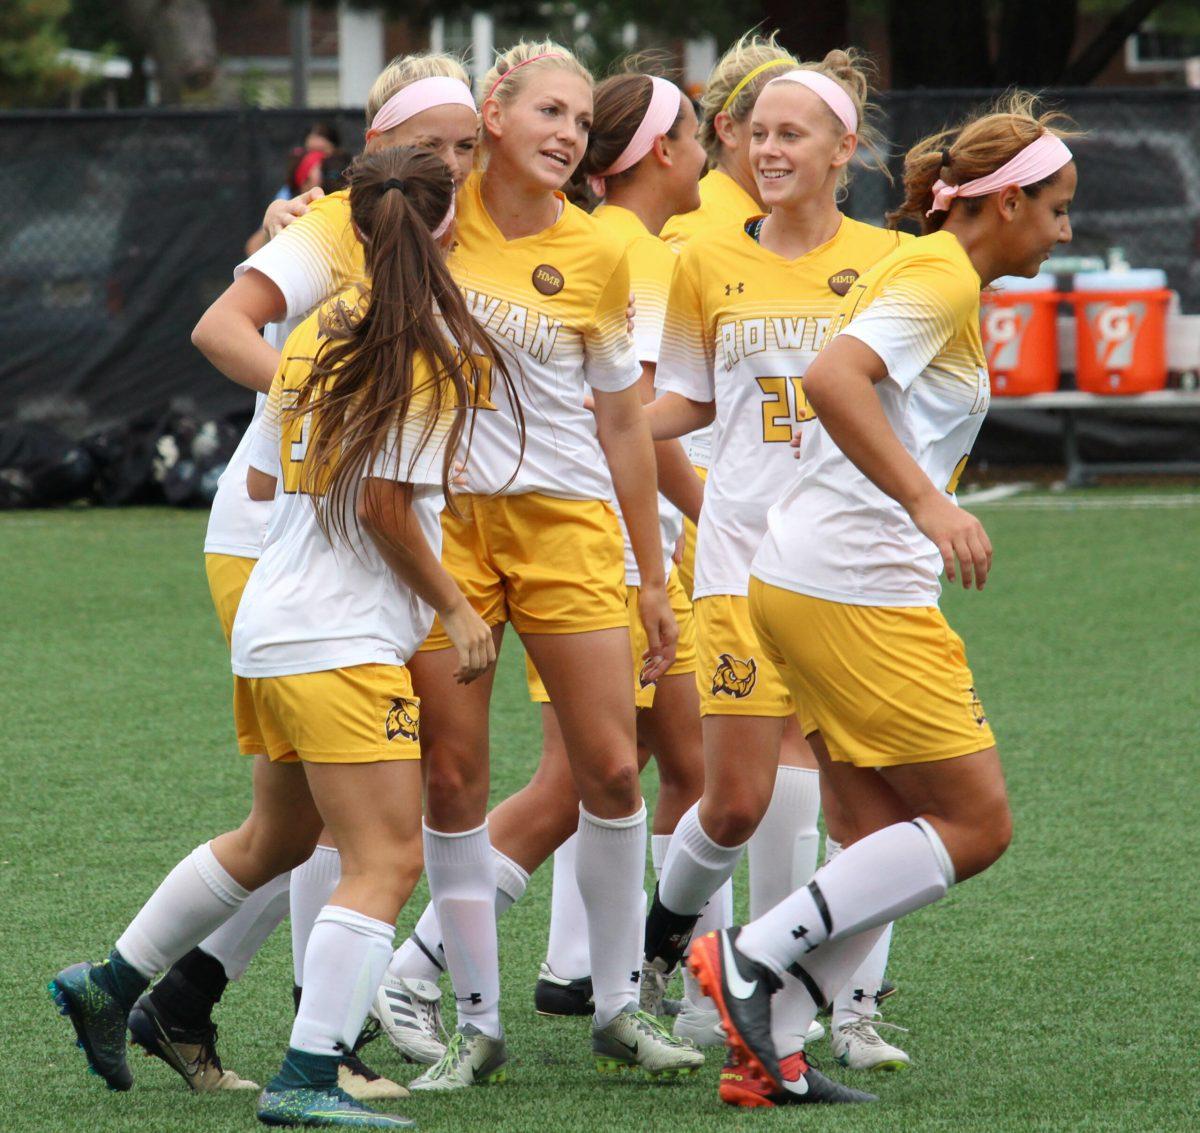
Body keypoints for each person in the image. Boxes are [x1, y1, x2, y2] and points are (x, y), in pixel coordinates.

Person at [49, 144, 512, 1131]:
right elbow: (386, 500)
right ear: (443, 229)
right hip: (338, 633)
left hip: (278, 616)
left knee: (280, 837)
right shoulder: (419, 340)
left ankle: (109, 980)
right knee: (385, 857)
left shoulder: (328, 320)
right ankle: (309, 1071)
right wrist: (458, 606)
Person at [688, 91, 1076, 1107]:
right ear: (1004, 204)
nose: (1067, 228)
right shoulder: (941, 272)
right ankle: (752, 957)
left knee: (873, 833)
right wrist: (928, 504)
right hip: (854, 587)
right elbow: (834, 375)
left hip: (803, 577)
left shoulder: (926, 265)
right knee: (977, 823)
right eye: (1059, 205)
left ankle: (765, 1045)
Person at [125, 53, 481, 1098]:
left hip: (305, 570)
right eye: (439, 148)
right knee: (364, 830)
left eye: (469, 142)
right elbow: (219, 328)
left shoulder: (386, 290)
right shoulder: (349, 247)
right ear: (388, 160)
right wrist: (335, 405)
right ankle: (318, 1049)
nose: (459, 162)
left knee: (296, 822)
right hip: (295, 556)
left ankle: (147, 990)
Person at [389, 40, 702, 1091]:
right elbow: (328, 257)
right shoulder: (427, 217)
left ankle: (616, 1006)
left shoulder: (603, 250)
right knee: (453, 775)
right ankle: (470, 1018)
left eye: (580, 119)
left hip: (568, 525)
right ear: (495, 112)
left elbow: (624, 421)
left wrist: (652, 575)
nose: (568, 133)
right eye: (549, 113)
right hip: (450, 529)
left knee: (612, 769)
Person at [639, 53, 912, 1095]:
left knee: (868, 801)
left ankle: (840, 1010)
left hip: (851, 569)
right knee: (736, 799)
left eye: (794, 134)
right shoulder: (709, 261)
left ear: (847, 150)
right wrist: (605, 424)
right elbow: (689, 403)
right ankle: (670, 933)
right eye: (759, 134)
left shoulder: (895, 261)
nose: (770, 150)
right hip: (740, 561)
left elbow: (918, 414)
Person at [661, 31, 797, 602]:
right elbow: (653, 392)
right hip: (706, 489)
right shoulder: (692, 233)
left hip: (767, 492)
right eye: (770, 129)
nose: (782, 147)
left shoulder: (783, 227)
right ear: (728, 130)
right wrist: (703, 512)